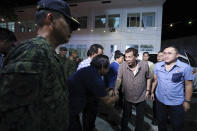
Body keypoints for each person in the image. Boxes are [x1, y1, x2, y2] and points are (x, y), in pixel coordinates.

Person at [0, 0, 80, 131]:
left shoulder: (47, 53)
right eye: (68, 23)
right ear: (51, 18)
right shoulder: (33, 52)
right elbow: (12, 117)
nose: (72, 29)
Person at [68, 54, 119, 131]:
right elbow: (107, 101)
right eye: (107, 67)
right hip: (71, 105)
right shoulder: (95, 78)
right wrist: (116, 97)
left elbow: (93, 89)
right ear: (102, 67)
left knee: (91, 108)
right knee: (75, 126)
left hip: (76, 99)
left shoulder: (87, 70)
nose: (108, 70)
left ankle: (90, 127)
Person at [151, 46, 193, 131]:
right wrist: (152, 92)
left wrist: (187, 101)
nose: (166, 55)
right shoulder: (158, 66)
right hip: (160, 101)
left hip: (176, 102)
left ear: (177, 55)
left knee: (177, 126)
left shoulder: (185, 67)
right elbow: (155, 80)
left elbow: (188, 85)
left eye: (170, 53)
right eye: (165, 53)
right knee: (161, 123)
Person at [115, 48, 152, 131]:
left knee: (140, 117)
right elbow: (119, 78)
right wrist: (116, 89)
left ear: (136, 56)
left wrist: (148, 90)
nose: (127, 59)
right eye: (126, 57)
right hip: (127, 96)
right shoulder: (122, 66)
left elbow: (149, 77)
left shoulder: (144, 65)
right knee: (126, 115)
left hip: (141, 96)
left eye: (130, 57)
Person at [76, 43, 103, 131]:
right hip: (86, 96)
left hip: (95, 94)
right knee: (87, 115)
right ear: (93, 53)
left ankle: (92, 126)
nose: (101, 57)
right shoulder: (84, 64)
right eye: (100, 55)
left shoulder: (97, 64)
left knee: (94, 113)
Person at [151, 51, 164, 125]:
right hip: (156, 88)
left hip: (165, 89)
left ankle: (164, 118)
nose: (159, 57)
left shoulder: (167, 65)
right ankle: (155, 118)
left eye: (161, 56)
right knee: (155, 105)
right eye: (158, 56)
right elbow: (150, 78)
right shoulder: (153, 66)